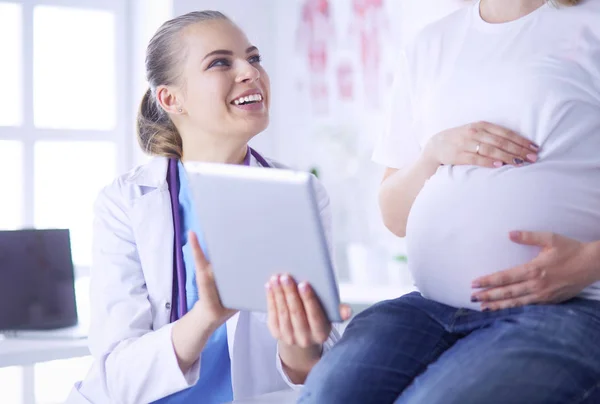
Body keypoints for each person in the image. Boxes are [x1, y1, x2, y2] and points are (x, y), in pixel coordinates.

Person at [298, 0, 600, 403]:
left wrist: (588, 264)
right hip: (427, 308)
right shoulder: (430, 44)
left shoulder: (591, 26)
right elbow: (394, 215)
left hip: (567, 306)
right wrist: (432, 154)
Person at [66, 11, 350, 404]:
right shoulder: (126, 203)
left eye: (254, 58)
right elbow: (116, 377)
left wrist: (298, 343)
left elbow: (317, 369)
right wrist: (206, 316)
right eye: (220, 62)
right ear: (171, 98)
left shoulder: (301, 195)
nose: (250, 72)